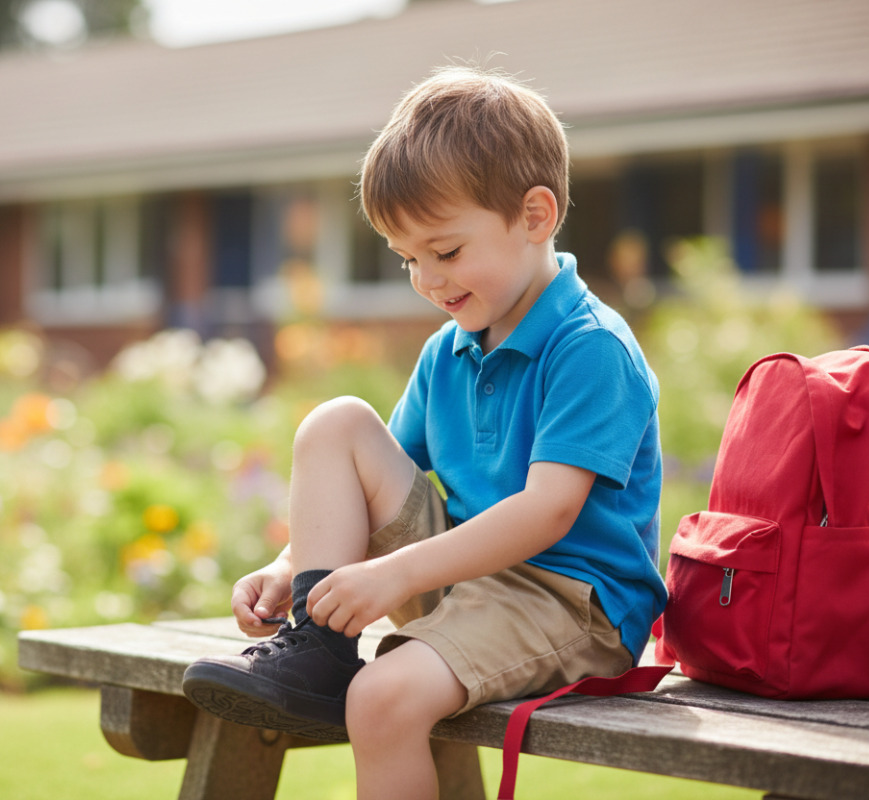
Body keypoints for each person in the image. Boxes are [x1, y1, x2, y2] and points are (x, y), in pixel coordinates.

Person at [182, 64, 666, 800]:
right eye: (407, 259)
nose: (428, 281)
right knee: (336, 421)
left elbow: (550, 510)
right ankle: (319, 644)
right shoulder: (451, 348)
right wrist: (291, 567)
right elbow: (376, 475)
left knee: (381, 700)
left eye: (445, 251)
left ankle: (346, 670)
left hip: (572, 602)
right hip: (467, 575)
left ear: (536, 216)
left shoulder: (588, 345)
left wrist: (398, 574)